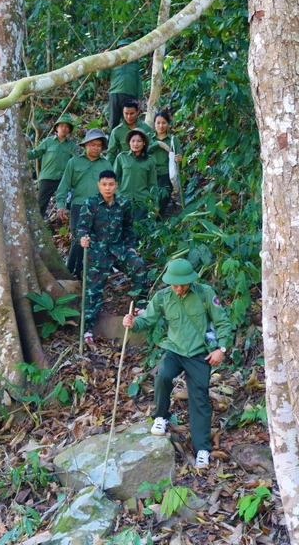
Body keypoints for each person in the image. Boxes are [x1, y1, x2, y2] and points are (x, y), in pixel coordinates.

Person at [122, 259, 231, 469]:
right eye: (175, 284)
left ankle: (202, 450)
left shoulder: (205, 294)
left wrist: (222, 349)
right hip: (174, 349)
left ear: (191, 280)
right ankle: (161, 417)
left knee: (199, 397)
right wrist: (133, 323)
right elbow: (148, 320)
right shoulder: (162, 297)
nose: (178, 288)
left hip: (200, 353)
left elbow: (222, 322)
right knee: (163, 375)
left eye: (182, 284)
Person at [77, 170, 147, 344]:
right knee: (92, 290)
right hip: (97, 252)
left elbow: (128, 227)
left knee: (138, 266)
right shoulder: (91, 203)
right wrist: (83, 238)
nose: (107, 188)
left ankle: (140, 306)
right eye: (104, 184)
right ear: (99, 185)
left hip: (118, 249)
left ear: (116, 185)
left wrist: (131, 248)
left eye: (111, 184)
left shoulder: (123, 203)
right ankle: (87, 329)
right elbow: (82, 227)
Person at [56, 129, 114, 275]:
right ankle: (69, 271)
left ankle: (84, 272)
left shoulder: (105, 164)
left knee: (93, 238)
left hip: (99, 205)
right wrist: (61, 204)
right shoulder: (74, 162)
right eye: (93, 144)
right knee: (78, 238)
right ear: (86, 145)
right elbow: (64, 185)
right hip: (78, 205)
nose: (96, 148)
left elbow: (111, 186)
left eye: (99, 145)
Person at [27, 114, 77, 214]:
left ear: (69, 130)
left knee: (68, 200)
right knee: (41, 202)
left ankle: (66, 222)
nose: (64, 128)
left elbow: (75, 163)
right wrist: (22, 153)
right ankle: (39, 226)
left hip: (63, 178)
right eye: (61, 126)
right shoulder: (48, 142)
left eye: (66, 126)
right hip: (47, 177)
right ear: (57, 128)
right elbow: (35, 153)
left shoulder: (71, 146)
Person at [113, 128, 156, 223]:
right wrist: (118, 196)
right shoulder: (121, 157)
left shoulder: (149, 160)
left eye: (139, 141)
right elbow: (113, 180)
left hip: (142, 200)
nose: (135, 144)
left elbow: (153, 184)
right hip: (123, 200)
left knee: (137, 228)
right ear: (129, 142)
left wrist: (155, 204)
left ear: (144, 143)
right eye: (133, 141)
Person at [147, 110, 183, 217]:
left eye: (164, 123)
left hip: (166, 173)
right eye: (158, 123)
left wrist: (179, 159)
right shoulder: (149, 138)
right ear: (154, 124)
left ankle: (159, 225)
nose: (161, 126)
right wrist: (157, 144)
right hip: (150, 173)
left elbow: (178, 155)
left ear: (168, 124)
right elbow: (142, 151)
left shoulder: (173, 140)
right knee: (151, 200)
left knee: (162, 200)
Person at [108, 39, 143, 133]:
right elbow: (101, 75)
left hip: (130, 95)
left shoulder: (134, 64)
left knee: (130, 121)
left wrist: (139, 98)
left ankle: (130, 143)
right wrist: (103, 57)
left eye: (126, 48)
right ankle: (111, 145)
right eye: (121, 48)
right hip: (115, 94)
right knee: (113, 121)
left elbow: (138, 81)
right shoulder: (113, 62)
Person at [107, 99, 153, 164]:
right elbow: (111, 153)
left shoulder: (145, 128)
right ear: (122, 113)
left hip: (142, 165)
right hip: (125, 167)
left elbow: (151, 148)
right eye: (126, 113)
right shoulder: (117, 131)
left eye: (132, 113)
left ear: (137, 112)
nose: (129, 117)